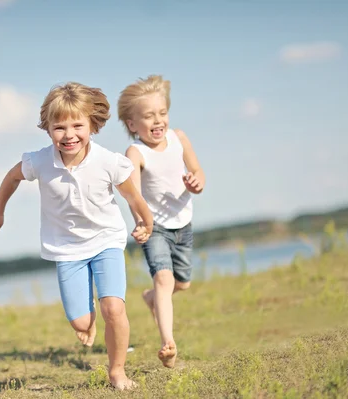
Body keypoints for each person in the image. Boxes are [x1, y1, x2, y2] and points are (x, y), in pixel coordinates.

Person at [0, 82, 153, 390]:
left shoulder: (107, 161)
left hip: (106, 241)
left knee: (113, 308)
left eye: (77, 125)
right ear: (47, 130)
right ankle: (88, 321)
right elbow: (11, 176)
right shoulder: (40, 161)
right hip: (66, 249)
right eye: (59, 127)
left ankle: (117, 371)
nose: (69, 134)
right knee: (80, 323)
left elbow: (132, 196)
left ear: (92, 125)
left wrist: (145, 220)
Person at [117, 75, 206, 368]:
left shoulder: (179, 138)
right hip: (154, 228)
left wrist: (196, 182)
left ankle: (151, 297)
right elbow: (133, 195)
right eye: (148, 116)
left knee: (182, 283)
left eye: (162, 113)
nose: (158, 121)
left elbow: (198, 172)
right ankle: (168, 344)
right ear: (132, 124)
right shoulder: (136, 153)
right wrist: (142, 222)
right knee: (164, 279)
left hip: (183, 224)